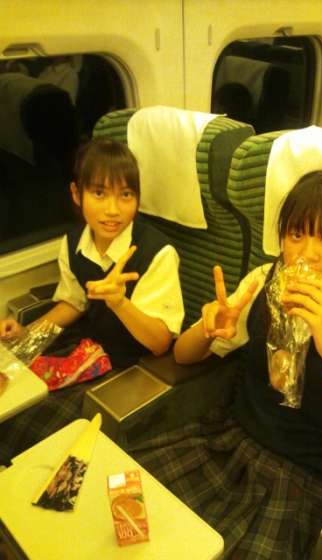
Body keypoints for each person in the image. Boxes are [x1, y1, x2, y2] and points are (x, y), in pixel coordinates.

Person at [131, 168, 322, 559]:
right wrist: (208, 329)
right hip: (231, 443)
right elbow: (183, 356)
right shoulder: (265, 280)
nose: (306, 253)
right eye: (296, 234)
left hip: (305, 484)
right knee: (131, 511)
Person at [0, 138, 184, 462]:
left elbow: (160, 343)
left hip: (129, 367)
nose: (113, 210)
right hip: (86, 347)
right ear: (77, 193)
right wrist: (27, 335)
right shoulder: (74, 242)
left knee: (48, 436)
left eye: (125, 195)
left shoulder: (157, 253)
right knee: (14, 395)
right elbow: (73, 302)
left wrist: (119, 303)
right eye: (99, 193)